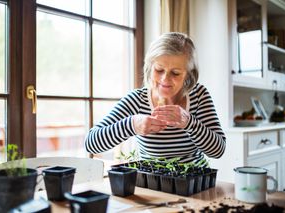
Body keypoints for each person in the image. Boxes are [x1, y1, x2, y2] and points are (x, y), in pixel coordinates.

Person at [84, 32, 226, 165]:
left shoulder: (199, 95)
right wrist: (131, 125)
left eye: (175, 73)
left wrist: (189, 123)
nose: (165, 79)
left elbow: (218, 150)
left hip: (194, 185)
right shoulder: (136, 100)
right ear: (149, 68)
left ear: (189, 75)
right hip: (152, 185)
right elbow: (91, 143)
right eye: (159, 70)